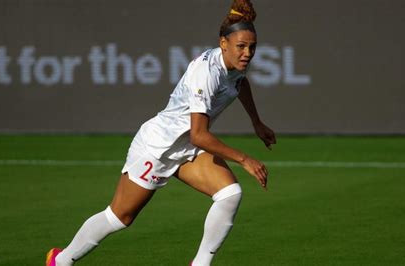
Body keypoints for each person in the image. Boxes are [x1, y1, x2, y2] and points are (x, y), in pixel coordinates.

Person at [46, 0, 276, 265]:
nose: (247, 53)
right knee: (120, 217)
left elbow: (240, 83)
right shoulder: (206, 72)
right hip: (157, 147)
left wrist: (256, 122)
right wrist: (245, 159)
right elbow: (199, 136)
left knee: (230, 194)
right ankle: (60, 260)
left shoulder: (233, 66)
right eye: (241, 46)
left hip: (186, 148)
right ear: (223, 43)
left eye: (252, 47)